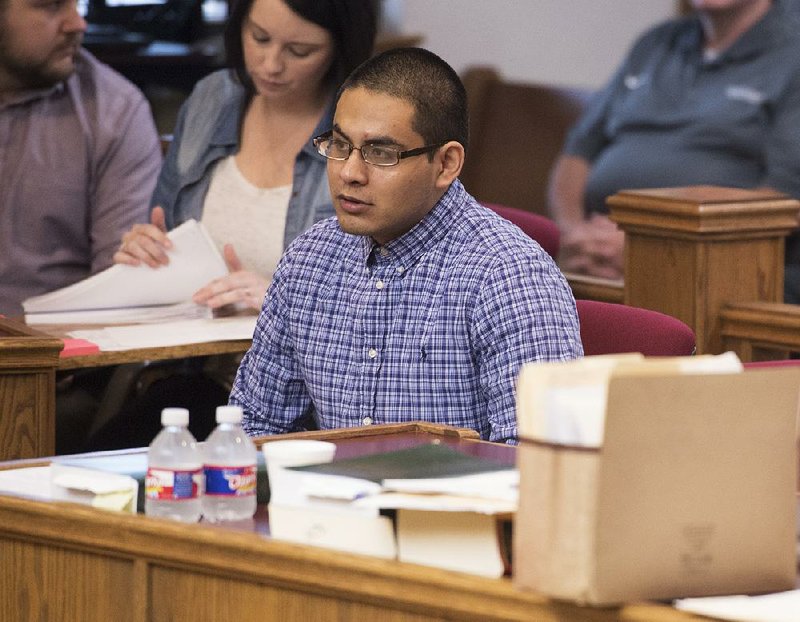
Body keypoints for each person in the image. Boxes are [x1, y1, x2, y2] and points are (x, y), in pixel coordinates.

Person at [230, 47, 583, 445]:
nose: (349, 172)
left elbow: (539, 459)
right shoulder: (309, 260)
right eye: (340, 144)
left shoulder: (509, 277)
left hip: (453, 506)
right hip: (325, 503)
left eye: (381, 154)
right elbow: (255, 427)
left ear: (446, 163)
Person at [113, 0, 377, 310]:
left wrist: (280, 303)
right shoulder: (211, 99)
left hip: (299, 356)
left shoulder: (367, 131)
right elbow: (166, 233)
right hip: (193, 351)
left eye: (300, 51)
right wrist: (147, 250)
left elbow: (386, 300)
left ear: (341, 46)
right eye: (259, 38)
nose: (271, 65)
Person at [548, 0, 800, 297]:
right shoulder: (655, 44)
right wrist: (573, 234)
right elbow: (577, 154)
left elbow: (785, 197)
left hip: (724, 274)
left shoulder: (791, 51)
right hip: (594, 262)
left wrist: (652, 249)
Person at [0, 0, 161, 316]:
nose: (78, 23)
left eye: (78, 3)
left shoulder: (116, 111)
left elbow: (115, 284)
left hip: (58, 352)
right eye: (51, 6)